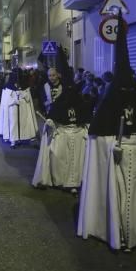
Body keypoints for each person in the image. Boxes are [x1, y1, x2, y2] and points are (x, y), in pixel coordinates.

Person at [77, 22, 136, 251]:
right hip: (116, 154)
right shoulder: (113, 96)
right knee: (116, 196)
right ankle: (116, 232)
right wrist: (110, 146)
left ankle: (135, 235)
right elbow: (99, 132)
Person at [33, 48, 90, 193]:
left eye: (54, 75)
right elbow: (44, 103)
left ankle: (74, 182)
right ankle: (60, 180)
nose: (52, 78)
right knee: (59, 158)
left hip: (74, 132)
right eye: (49, 75)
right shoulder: (46, 87)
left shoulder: (72, 95)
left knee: (75, 160)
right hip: (58, 127)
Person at [1, 70, 39, 147]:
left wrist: (23, 94)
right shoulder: (8, 87)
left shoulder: (25, 86)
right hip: (13, 108)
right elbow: (7, 101)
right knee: (13, 123)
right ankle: (13, 140)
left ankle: (22, 137)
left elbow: (28, 99)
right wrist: (15, 100)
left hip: (23, 108)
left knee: (23, 123)